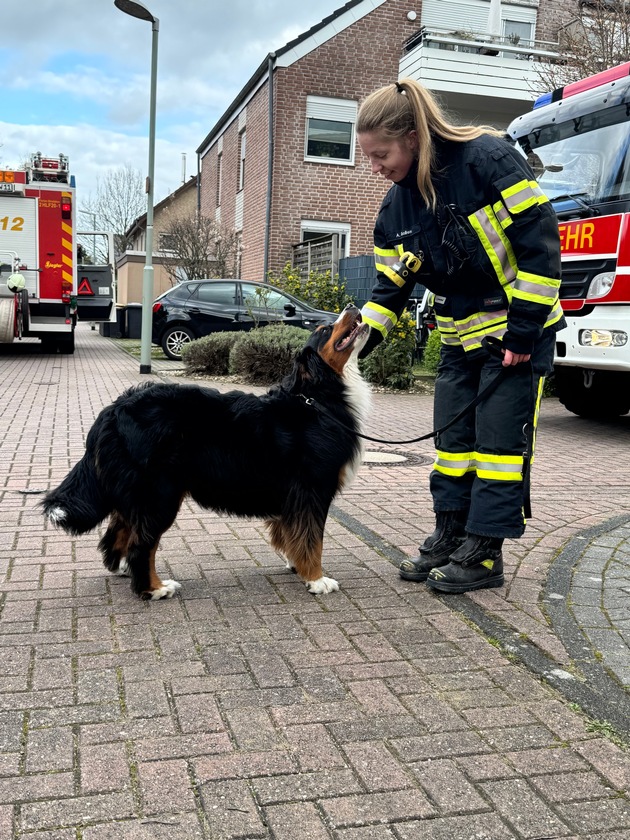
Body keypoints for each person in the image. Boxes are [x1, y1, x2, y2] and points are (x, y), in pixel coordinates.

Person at [357, 78, 565, 594]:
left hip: (516, 337)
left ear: (412, 135)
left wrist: (521, 334)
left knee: (498, 447)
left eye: (381, 154)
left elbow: (542, 249)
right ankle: (449, 535)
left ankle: (485, 553)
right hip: (459, 337)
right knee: (453, 446)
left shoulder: (488, 161)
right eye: (369, 157)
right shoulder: (394, 212)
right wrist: (352, 352)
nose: (375, 166)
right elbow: (390, 290)